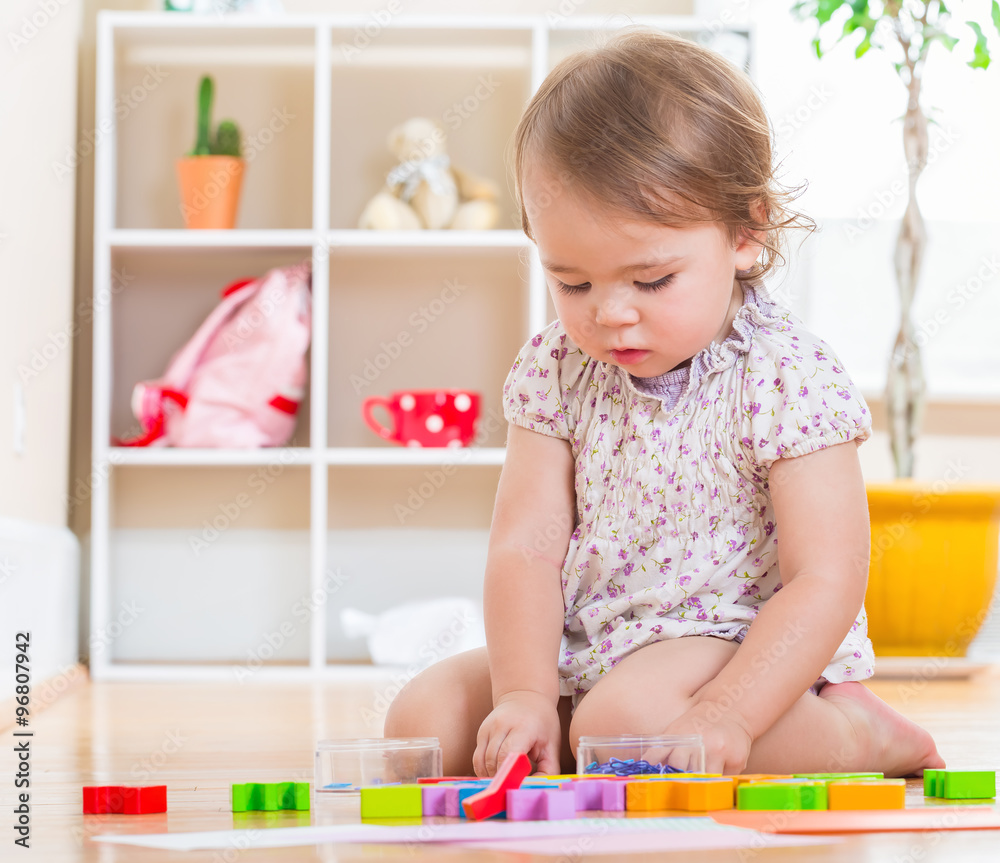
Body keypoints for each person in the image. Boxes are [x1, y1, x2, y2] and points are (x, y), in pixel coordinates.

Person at [384, 27, 944, 779]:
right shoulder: (555, 369)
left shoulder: (785, 374)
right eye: (573, 282)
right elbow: (526, 547)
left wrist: (728, 713)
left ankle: (854, 733)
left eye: (650, 281)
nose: (609, 313)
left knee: (624, 724)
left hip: (742, 653)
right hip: (595, 641)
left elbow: (827, 575)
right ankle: (579, 725)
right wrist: (523, 692)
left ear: (746, 233)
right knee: (421, 723)